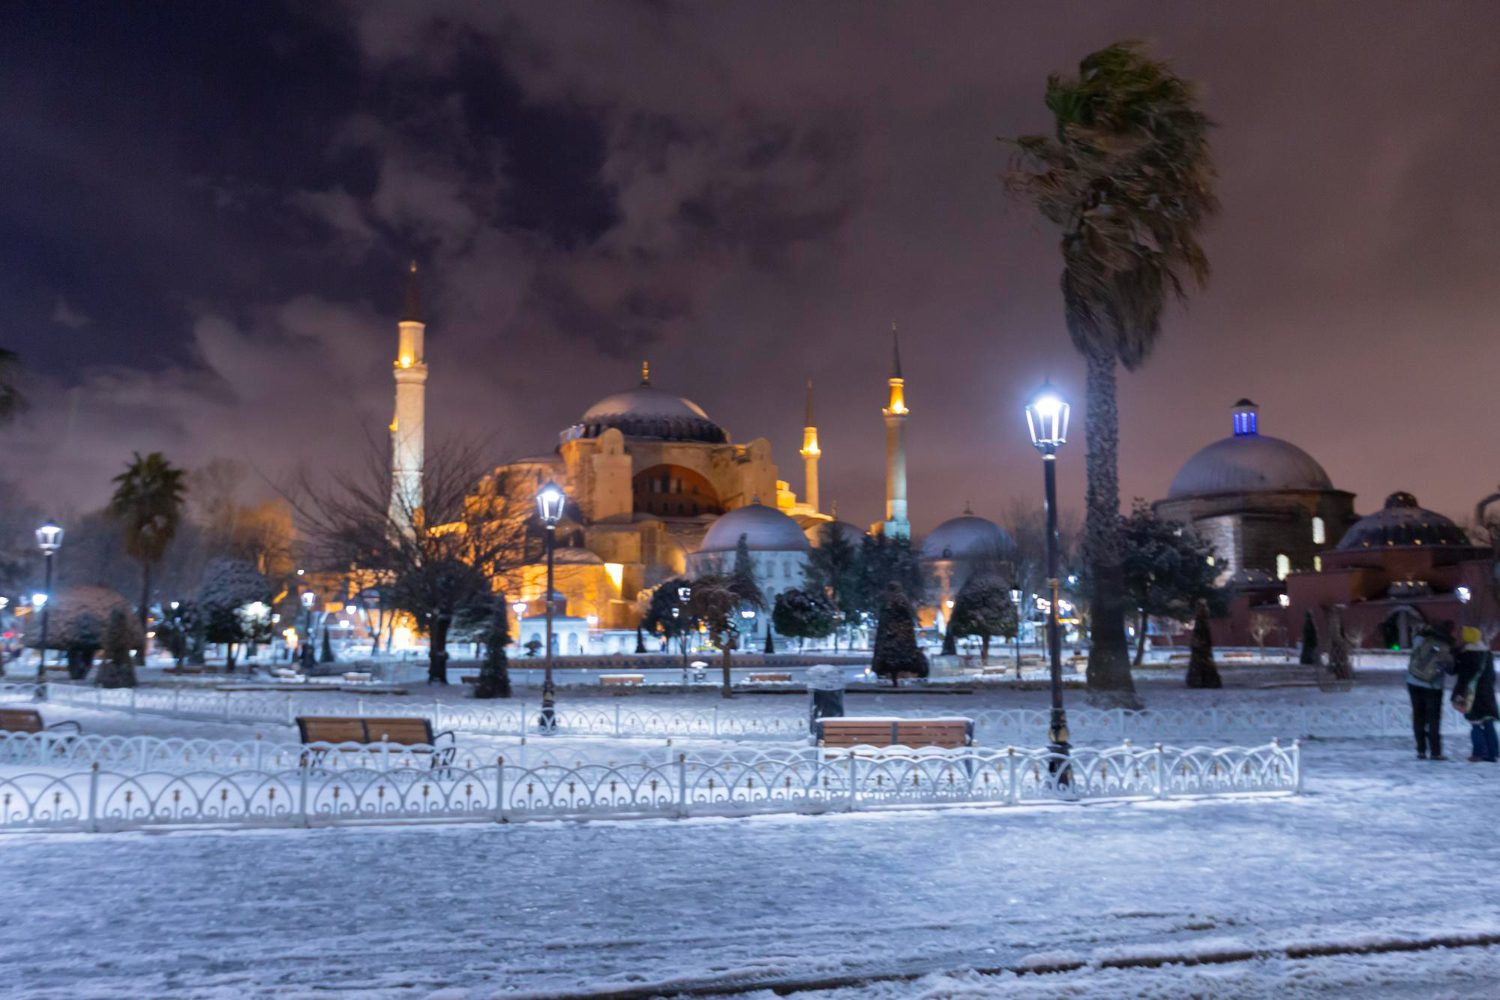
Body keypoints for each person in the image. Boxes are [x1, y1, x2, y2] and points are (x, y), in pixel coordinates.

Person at [1406, 623, 1453, 759]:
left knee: (1418, 716)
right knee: (1433, 719)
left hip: (1413, 682)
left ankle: (1421, 750)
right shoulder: (1446, 646)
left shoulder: (1420, 640)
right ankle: (1435, 752)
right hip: (1433, 686)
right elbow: (1451, 669)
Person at [1451, 626, 1498, 763]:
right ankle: (1493, 753)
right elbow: (1492, 676)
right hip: (1487, 694)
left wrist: (1458, 695)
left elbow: (1463, 678)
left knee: (1475, 724)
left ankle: (1479, 753)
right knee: (1488, 723)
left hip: (1472, 695)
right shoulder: (1487, 654)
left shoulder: (1467, 655)